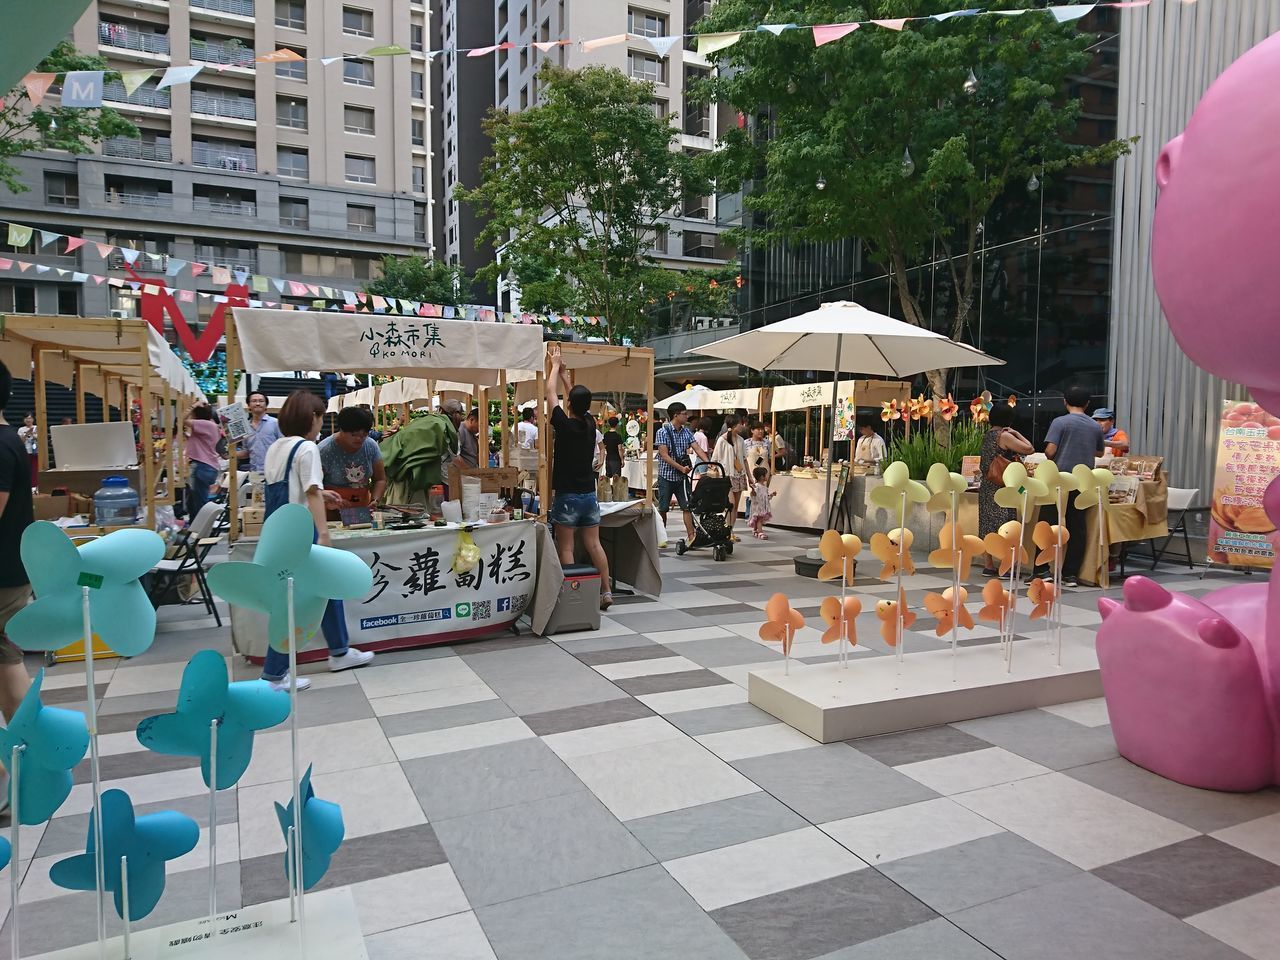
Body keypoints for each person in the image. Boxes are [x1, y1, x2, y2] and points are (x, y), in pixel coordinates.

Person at [260, 391, 374, 691]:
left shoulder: (277, 448)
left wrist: (323, 494)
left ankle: (339, 650)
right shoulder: (308, 448)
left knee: (324, 587)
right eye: (321, 416)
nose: (322, 424)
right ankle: (274, 674)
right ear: (312, 417)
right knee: (295, 600)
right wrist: (323, 534)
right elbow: (309, 492)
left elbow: (291, 489)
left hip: (279, 530)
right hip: (302, 533)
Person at [545, 344, 612, 609]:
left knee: (567, 547)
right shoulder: (589, 424)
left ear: (569, 403)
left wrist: (554, 367)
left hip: (567, 495)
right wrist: (563, 373)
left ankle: (574, 594)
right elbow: (572, 397)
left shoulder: (563, 424)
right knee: (594, 545)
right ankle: (606, 591)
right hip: (589, 494)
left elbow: (550, 393)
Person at [0, 363, 32, 809]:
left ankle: (19, 766)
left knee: (8, 663)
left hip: (3, 575)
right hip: (11, 570)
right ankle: (30, 758)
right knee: (7, 662)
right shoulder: (10, 441)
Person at [1045, 386, 1106, 586]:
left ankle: (1042, 570)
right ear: (1088, 404)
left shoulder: (1059, 422)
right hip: (1083, 481)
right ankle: (1070, 574)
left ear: (1065, 401)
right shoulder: (1095, 426)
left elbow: (1050, 452)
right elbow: (1099, 453)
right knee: (1077, 526)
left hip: (1059, 481)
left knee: (1049, 523)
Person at [978, 404, 1034, 576]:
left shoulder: (987, 436)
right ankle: (1007, 565)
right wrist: (1016, 433)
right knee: (1007, 525)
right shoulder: (1004, 436)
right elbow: (1029, 448)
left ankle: (988, 565)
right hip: (1003, 486)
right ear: (1009, 420)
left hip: (987, 485)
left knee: (987, 525)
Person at [319, 406, 387, 525]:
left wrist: (375, 500)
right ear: (342, 430)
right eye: (354, 434)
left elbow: (380, 479)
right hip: (330, 514)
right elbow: (314, 488)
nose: (359, 439)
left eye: (364, 434)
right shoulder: (325, 450)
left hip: (361, 512)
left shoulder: (370, 446)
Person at [655, 401, 697, 545]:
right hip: (666, 476)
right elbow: (664, 455)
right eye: (684, 414)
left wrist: (709, 462)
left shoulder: (687, 432)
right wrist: (680, 468)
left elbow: (696, 447)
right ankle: (661, 537)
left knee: (686, 506)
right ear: (676, 415)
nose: (687, 416)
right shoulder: (662, 432)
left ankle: (692, 536)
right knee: (663, 508)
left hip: (682, 478)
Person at [712, 414, 749, 535]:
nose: (742, 426)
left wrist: (749, 476)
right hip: (727, 476)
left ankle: (730, 531)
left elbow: (744, 459)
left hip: (739, 475)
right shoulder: (722, 440)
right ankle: (726, 529)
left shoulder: (741, 440)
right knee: (730, 505)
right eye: (740, 423)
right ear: (733, 425)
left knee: (736, 506)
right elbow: (715, 459)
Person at [184, 403, 222, 519]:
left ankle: (201, 531)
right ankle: (196, 527)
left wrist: (192, 406)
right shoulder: (210, 425)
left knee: (199, 503)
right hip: (207, 466)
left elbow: (182, 420)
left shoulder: (204, 424)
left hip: (203, 466)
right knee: (194, 500)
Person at [241, 390, 282, 475]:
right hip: (254, 473)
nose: (258, 404)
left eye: (261, 401)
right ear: (248, 406)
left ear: (266, 405)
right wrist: (230, 454)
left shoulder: (276, 423)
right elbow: (247, 452)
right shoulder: (245, 427)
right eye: (254, 401)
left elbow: (284, 446)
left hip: (274, 473)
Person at [513, 407, 539, 490]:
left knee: (517, 480)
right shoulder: (535, 429)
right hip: (529, 459)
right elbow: (537, 445)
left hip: (516, 457)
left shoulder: (516, 426)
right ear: (531, 417)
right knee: (529, 482)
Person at [748, 466, 777, 539]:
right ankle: (760, 532)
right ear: (762, 477)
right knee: (759, 519)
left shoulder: (765, 487)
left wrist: (771, 495)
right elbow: (753, 495)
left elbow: (766, 498)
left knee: (757, 519)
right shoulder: (757, 486)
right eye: (766, 474)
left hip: (762, 507)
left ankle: (755, 530)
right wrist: (753, 490)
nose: (767, 476)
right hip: (758, 507)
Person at [17, 414, 37, 488]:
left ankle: (35, 486)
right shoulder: (21, 429)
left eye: (30, 418)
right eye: (26, 418)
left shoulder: (36, 427)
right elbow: (20, 442)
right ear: (23, 420)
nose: (28, 420)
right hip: (25, 452)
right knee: (26, 470)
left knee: (35, 470)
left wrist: (33, 434)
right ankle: (26, 486)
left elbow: (40, 439)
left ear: (33, 419)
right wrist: (26, 434)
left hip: (35, 452)